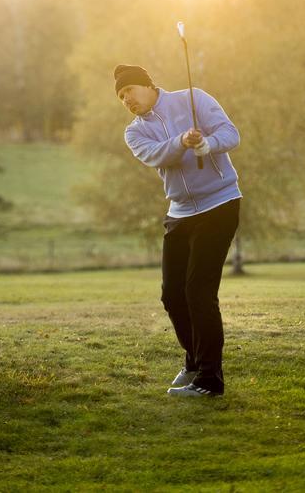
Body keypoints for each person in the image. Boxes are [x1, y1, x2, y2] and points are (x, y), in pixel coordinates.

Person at [114, 63, 242, 398]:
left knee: (199, 292)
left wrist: (207, 145)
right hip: (180, 212)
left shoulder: (194, 98)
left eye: (129, 91)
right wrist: (183, 141)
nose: (126, 100)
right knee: (172, 295)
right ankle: (195, 361)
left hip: (220, 204)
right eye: (121, 97)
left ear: (146, 84)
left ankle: (210, 381)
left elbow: (231, 134)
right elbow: (157, 156)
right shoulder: (134, 132)